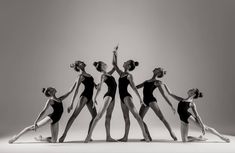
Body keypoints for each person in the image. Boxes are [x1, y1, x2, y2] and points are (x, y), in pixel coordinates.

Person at [8, 85, 76, 143]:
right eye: (52, 88)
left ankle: (41, 138)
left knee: (54, 141)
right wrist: (36, 121)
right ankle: (16, 137)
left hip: (56, 120)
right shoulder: (50, 100)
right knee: (32, 127)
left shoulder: (60, 99)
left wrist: (75, 83)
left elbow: (70, 91)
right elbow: (43, 111)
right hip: (51, 118)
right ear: (50, 92)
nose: (54, 88)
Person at [164, 86, 230, 143]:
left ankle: (222, 137)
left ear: (193, 94)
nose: (190, 89)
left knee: (206, 128)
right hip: (182, 119)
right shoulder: (182, 99)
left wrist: (202, 125)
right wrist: (164, 85)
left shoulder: (192, 103)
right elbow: (170, 93)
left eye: (192, 90)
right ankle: (199, 138)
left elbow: (197, 115)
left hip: (188, 117)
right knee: (184, 140)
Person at [112, 49, 150, 142]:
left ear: (128, 66)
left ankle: (145, 135)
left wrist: (140, 98)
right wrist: (115, 54)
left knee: (137, 116)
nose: (124, 62)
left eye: (126, 62)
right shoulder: (121, 73)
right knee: (126, 118)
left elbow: (134, 87)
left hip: (127, 97)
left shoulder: (129, 75)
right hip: (122, 98)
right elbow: (114, 64)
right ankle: (125, 137)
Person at [59, 61, 97, 142]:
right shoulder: (80, 76)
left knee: (95, 116)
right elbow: (75, 90)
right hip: (84, 97)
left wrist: (97, 86)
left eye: (82, 62)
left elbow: (93, 85)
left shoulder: (90, 75)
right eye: (80, 63)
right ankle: (64, 135)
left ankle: (89, 135)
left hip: (90, 98)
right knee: (74, 116)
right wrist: (71, 104)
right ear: (78, 67)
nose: (82, 62)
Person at [136, 67, 177, 141]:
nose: (155, 68)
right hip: (145, 101)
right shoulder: (146, 81)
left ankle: (172, 133)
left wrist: (171, 105)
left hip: (151, 101)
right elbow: (137, 87)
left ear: (158, 73)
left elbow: (164, 95)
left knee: (162, 118)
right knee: (139, 118)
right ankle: (148, 136)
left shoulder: (157, 82)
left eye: (157, 69)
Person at [84, 58, 117, 143]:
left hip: (113, 97)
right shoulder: (103, 76)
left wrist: (115, 53)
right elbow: (100, 88)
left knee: (108, 117)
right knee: (99, 116)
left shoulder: (108, 74)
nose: (106, 64)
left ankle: (108, 137)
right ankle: (88, 136)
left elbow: (115, 67)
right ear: (102, 67)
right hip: (109, 96)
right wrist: (94, 98)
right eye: (104, 63)